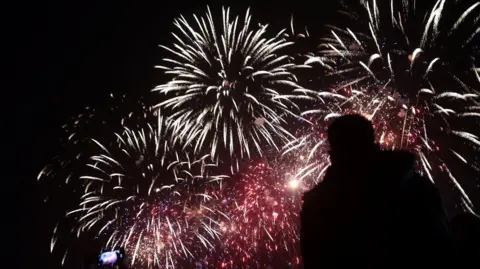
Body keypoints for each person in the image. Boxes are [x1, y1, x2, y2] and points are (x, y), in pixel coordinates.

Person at [300, 114, 453, 268]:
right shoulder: (416, 188)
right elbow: (442, 250)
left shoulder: (319, 205)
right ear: (373, 144)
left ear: (333, 153)